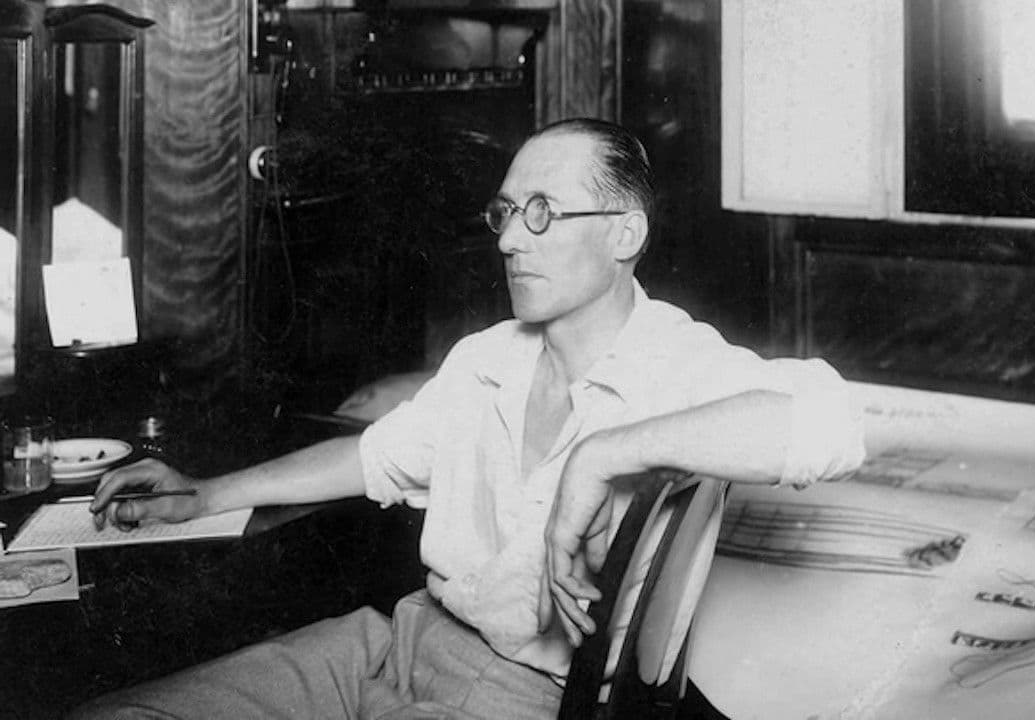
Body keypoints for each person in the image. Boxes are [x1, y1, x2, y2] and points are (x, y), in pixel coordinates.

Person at [72, 118, 866, 719]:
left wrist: (607, 453)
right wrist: (207, 494)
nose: (512, 239)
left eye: (544, 212)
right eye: (506, 211)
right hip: (398, 639)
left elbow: (836, 422)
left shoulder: (677, 362)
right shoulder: (490, 356)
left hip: (520, 694)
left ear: (626, 233)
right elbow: (378, 456)